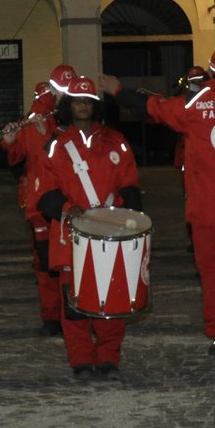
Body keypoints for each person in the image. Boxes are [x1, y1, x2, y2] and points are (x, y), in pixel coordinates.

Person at [108, 48, 215, 357]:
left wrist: (117, 90)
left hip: (207, 209)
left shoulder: (194, 105)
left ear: (211, 72)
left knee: (212, 273)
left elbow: (150, 107)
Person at [36, 74, 143, 379]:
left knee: (113, 300)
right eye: (78, 101)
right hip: (71, 235)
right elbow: (45, 194)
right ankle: (81, 361)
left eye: (88, 101)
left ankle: (109, 358)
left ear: (97, 106)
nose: (83, 106)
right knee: (74, 305)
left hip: (111, 235)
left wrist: (128, 221)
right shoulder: (56, 147)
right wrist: (69, 209)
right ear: (69, 106)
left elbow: (131, 185)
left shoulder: (117, 142)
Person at [1, 79, 63, 336]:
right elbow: (16, 163)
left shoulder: (62, 121)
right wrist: (10, 141)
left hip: (52, 202)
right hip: (47, 203)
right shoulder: (39, 121)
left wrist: (12, 144)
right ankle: (60, 316)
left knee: (48, 264)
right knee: (52, 263)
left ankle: (56, 317)